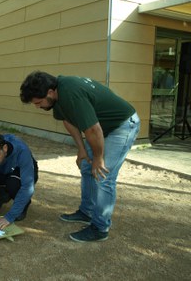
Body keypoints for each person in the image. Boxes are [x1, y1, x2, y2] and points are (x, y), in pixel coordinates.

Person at [20, 71, 140, 242]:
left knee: (104, 176)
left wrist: (98, 158)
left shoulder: (70, 93)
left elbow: (93, 130)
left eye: (39, 102)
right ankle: (87, 211)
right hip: (102, 128)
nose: (38, 106)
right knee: (86, 166)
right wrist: (82, 149)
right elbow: (68, 121)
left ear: (50, 92)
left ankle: (100, 227)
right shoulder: (58, 97)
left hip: (122, 126)